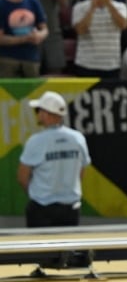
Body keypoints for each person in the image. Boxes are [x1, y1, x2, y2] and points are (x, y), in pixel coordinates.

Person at [17, 91, 91, 228]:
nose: (37, 114)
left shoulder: (36, 141)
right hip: (70, 209)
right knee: (68, 248)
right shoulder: (78, 138)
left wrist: (35, 194)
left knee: (39, 249)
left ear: (46, 113)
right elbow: (81, 172)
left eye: (38, 110)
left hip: (41, 209)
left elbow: (22, 176)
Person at [71, 0, 127, 78]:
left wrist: (108, 4)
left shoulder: (120, 7)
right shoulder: (79, 7)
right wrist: (93, 6)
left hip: (111, 65)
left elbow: (123, 25)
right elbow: (80, 30)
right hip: (85, 64)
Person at [0, 0, 49, 78]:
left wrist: (39, 36)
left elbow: (45, 29)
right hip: (8, 60)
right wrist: (25, 39)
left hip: (31, 59)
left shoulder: (33, 2)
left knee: (33, 96)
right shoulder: (1, 4)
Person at [25, 0, 69, 75]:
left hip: (52, 31)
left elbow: (64, 4)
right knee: (31, 72)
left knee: (55, 72)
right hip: (28, 33)